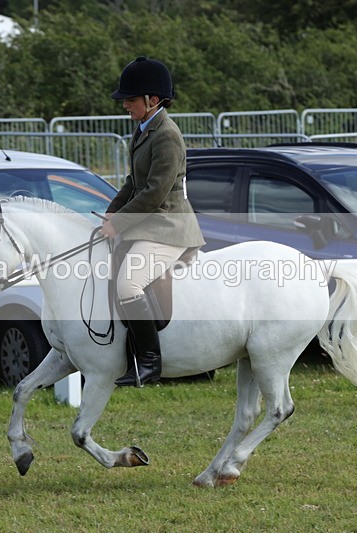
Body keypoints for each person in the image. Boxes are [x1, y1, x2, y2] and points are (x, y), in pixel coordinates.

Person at [101, 56, 205, 387]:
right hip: (150, 223)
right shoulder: (143, 130)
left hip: (169, 227)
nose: (125, 106)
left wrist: (119, 223)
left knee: (128, 284)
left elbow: (155, 194)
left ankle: (149, 362)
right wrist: (111, 211)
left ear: (152, 100)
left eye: (130, 100)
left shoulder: (167, 135)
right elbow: (134, 183)